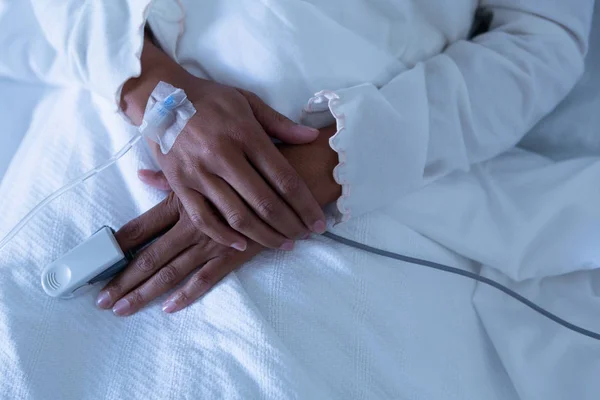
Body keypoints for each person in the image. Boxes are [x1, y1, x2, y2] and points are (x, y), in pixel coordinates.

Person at [27, 0, 595, 315]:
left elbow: (541, 39)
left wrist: (336, 161)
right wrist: (150, 85)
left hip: (370, 177)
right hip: (111, 85)